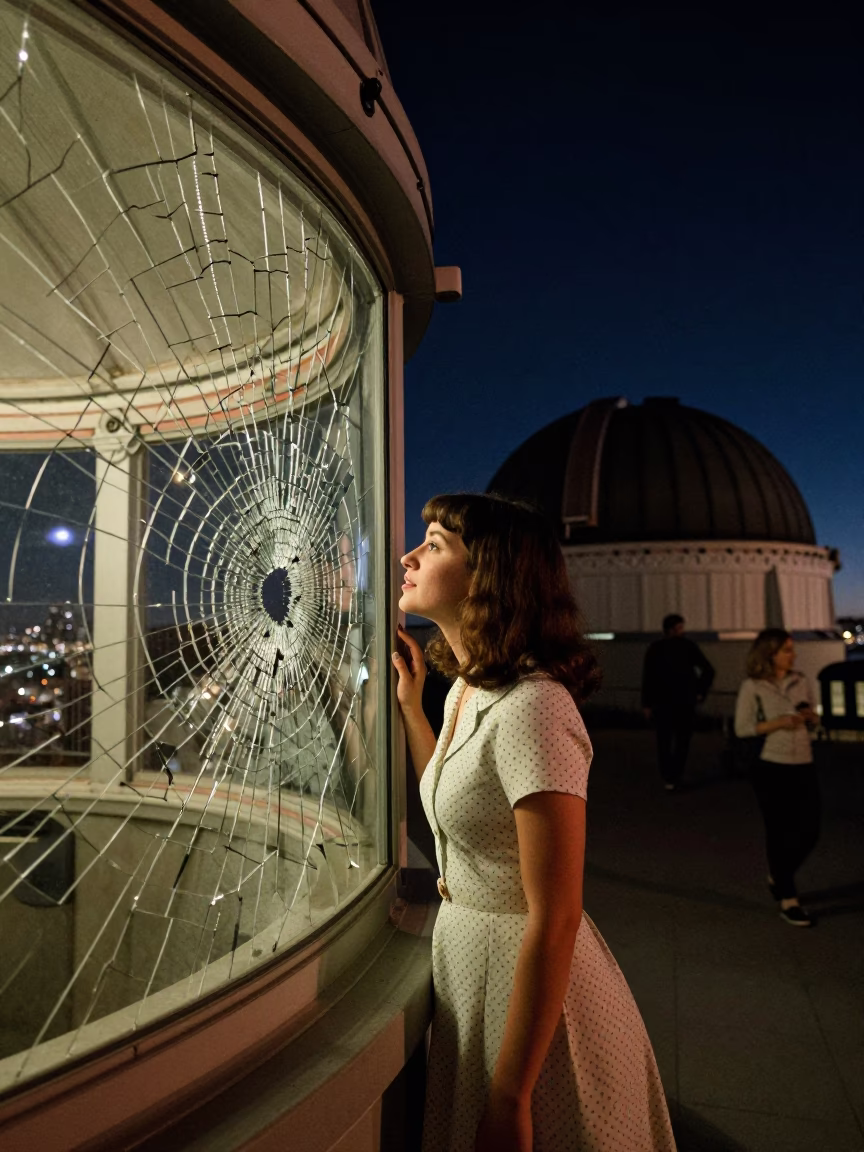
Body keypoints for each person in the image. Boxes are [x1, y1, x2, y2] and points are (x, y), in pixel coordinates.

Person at [392, 493, 676, 1152]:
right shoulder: (469, 690)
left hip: (529, 990)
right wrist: (413, 713)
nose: (409, 555)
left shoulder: (536, 708)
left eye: (433, 543)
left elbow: (557, 915)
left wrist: (511, 1094)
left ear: (488, 574)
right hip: (474, 966)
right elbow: (458, 795)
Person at [734, 629, 820, 928]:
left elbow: (814, 711)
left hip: (803, 762)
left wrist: (810, 716)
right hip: (771, 765)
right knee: (779, 830)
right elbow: (743, 728)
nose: (792, 654)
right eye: (786, 650)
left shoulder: (802, 680)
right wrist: (780, 722)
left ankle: (778, 875)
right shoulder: (753, 686)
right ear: (769, 653)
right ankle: (788, 897)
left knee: (810, 829)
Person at [641, 614, 715, 791]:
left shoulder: (655, 648)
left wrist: (646, 703)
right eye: (680, 627)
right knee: (683, 740)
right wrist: (699, 691)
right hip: (685, 701)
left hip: (662, 702)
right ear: (674, 629)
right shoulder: (688, 647)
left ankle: (668, 777)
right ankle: (676, 775)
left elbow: (648, 678)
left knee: (664, 741)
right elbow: (708, 670)